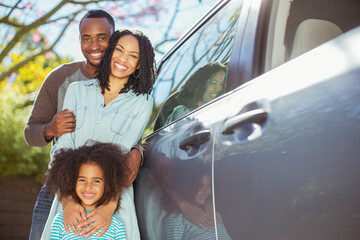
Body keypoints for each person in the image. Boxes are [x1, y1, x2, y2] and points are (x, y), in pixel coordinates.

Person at [24, 9, 144, 239]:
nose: (94, 45)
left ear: (114, 39)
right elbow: (31, 132)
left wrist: (138, 152)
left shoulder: (130, 88)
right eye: (86, 38)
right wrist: (50, 129)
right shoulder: (61, 78)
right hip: (60, 187)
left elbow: (131, 135)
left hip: (105, 189)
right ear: (79, 40)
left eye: (102, 37)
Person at [45, 142, 128, 239]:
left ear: (109, 184)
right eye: (82, 180)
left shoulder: (116, 225)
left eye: (96, 181)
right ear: (71, 181)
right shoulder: (60, 221)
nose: (88, 186)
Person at [163, 161, 231, 239]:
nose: (207, 191)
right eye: (200, 186)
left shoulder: (214, 213)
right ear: (187, 187)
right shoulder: (177, 220)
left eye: (208, 186)